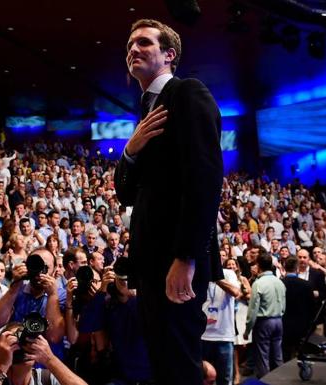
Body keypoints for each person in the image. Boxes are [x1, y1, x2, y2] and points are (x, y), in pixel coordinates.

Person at [114, 18, 223, 385]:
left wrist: (186, 256)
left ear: (169, 54)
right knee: (162, 364)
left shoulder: (187, 93)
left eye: (144, 43)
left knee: (178, 366)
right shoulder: (145, 113)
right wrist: (130, 149)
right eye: (130, 44)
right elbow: (126, 192)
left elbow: (205, 179)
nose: (133, 49)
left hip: (176, 259)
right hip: (149, 264)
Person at [0, 323, 87, 385]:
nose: (23, 347)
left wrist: (49, 359)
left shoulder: (47, 379)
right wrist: (2, 366)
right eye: (14, 343)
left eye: (28, 341)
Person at [244, 253, 286, 378]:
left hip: (264, 322)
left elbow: (253, 310)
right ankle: (281, 381)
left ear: (258, 265)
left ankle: (265, 382)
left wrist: (247, 330)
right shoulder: (280, 282)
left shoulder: (258, 283)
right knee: (278, 356)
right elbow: (283, 305)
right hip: (278, 320)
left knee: (263, 357)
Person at [281, 256, 316, 361]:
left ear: (284, 267)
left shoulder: (280, 283)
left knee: (285, 355)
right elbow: (312, 307)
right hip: (302, 326)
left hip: (284, 324)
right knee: (301, 356)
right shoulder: (306, 285)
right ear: (297, 268)